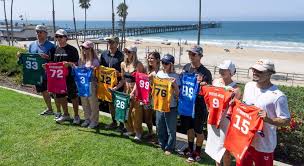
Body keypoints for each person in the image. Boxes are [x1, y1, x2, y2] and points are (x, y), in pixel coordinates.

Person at [240, 59, 290, 166]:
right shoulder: (248, 86)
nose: (255, 72)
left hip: (264, 144)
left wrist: (268, 119)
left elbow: (286, 120)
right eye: (254, 69)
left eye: (260, 71)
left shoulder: (278, 96)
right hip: (246, 139)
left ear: (270, 73)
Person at [179, 45, 212, 162]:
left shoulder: (205, 72)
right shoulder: (186, 67)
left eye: (193, 54)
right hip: (187, 105)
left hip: (198, 106)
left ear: (200, 56)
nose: (191, 56)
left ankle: (197, 150)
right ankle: (190, 147)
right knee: (189, 128)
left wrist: (202, 84)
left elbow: (208, 90)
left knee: (198, 130)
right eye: (189, 54)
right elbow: (181, 82)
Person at [205, 60, 241, 166]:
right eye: (220, 69)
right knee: (215, 145)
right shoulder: (215, 82)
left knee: (225, 150)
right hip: (213, 118)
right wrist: (209, 108)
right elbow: (210, 97)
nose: (221, 71)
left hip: (226, 122)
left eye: (224, 69)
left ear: (231, 72)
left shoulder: (236, 89)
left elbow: (234, 107)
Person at [23, 25, 56, 116]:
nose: (38, 33)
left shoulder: (51, 46)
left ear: (45, 33)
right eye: (37, 32)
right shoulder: (32, 45)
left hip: (49, 73)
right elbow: (29, 57)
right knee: (44, 91)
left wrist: (48, 58)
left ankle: (60, 112)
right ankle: (50, 109)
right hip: (38, 74)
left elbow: (55, 60)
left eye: (40, 32)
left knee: (54, 92)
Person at [50, 29, 80, 124]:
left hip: (69, 77)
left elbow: (76, 63)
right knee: (61, 97)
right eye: (57, 36)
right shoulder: (54, 49)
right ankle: (66, 114)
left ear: (66, 38)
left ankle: (76, 116)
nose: (58, 38)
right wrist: (46, 66)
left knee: (73, 97)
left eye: (61, 36)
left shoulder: (72, 49)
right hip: (58, 78)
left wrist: (69, 64)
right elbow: (52, 62)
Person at [155, 54, 180, 155]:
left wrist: (174, 85)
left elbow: (178, 94)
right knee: (159, 126)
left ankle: (170, 147)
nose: (164, 65)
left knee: (171, 128)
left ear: (171, 64)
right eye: (163, 62)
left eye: (166, 63)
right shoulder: (159, 73)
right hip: (159, 104)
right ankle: (162, 144)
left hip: (171, 106)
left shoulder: (175, 77)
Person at [118, 46, 145, 140]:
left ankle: (138, 132)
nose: (127, 54)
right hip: (126, 89)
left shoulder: (139, 65)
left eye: (128, 52)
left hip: (136, 90)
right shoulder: (123, 64)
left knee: (136, 112)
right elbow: (122, 80)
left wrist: (133, 92)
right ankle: (130, 129)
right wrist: (115, 87)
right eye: (125, 52)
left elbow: (139, 81)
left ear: (134, 53)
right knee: (126, 110)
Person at [99, 36, 124, 130]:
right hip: (107, 84)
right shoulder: (104, 54)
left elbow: (125, 73)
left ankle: (121, 124)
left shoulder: (121, 56)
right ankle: (114, 122)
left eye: (112, 42)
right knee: (110, 104)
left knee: (119, 104)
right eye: (109, 42)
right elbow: (101, 67)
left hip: (119, 84)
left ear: (117, 43)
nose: (110, 44)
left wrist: (119, 74)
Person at [77, 41, 100, 129]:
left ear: (91, 49)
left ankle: (94, 121)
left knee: (92, 102)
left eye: (86, 48)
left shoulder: (95, 61)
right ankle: (87, 119)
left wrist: (92, 69)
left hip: (91, 83)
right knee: (84, 102)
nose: (84, 50)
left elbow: (96, 73)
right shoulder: (81, 60)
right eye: (83, 48)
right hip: (82, 84)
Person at [143, 51, 161, 139]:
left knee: (158, 118)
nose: (150, 60)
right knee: (147, 117)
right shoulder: (146, 69)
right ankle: (150, 132)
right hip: (147, 96)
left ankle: (158, 136)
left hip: (158, 97)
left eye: (152, 58)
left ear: (157, 60)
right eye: (149, 58)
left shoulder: (161, 71)